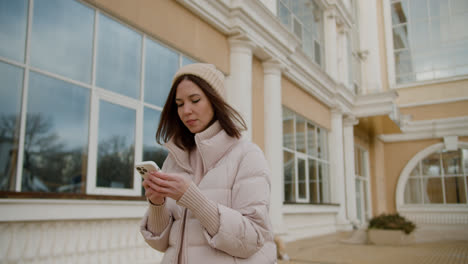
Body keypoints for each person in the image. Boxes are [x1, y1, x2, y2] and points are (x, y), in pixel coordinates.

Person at [140, 63, 277, 263]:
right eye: (179, 104)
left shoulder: (247, 155)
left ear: (215, 101)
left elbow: (253, 239)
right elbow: (160, 244)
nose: (186, 110)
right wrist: (156, 204)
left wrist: (193, 198)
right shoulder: (174, 159)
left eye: (195, 100)